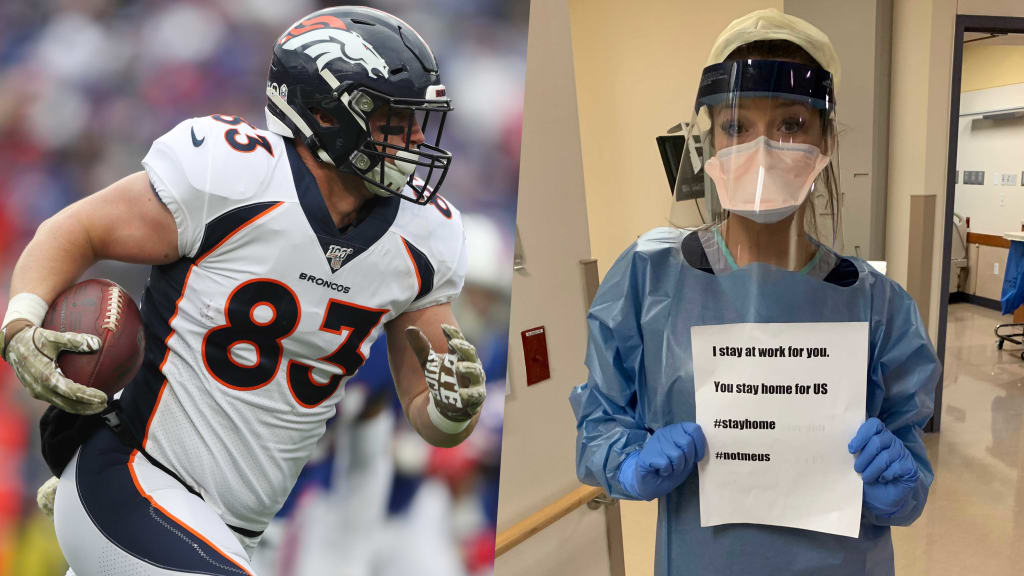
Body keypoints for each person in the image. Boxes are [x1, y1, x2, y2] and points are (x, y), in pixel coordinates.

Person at [0, 6, 488, 576]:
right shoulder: (236, 175)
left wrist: (453, 412)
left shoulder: (424, 235)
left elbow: (424, 406)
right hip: (133, 477)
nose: (412, 137)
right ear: (323, 110)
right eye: (389, 116)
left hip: (232, 531)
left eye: (416, 119)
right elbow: (75, 229)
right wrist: (19, 326)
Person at [570, 9, 939, 575]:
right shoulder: (650, 280)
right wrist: (629, 463)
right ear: (709, 138)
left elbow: (908, 460)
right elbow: (600, 422)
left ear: (826, 141)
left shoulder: (877, 304)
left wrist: (899, 482)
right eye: (737, 126)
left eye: (792, 124)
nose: (763, 149)